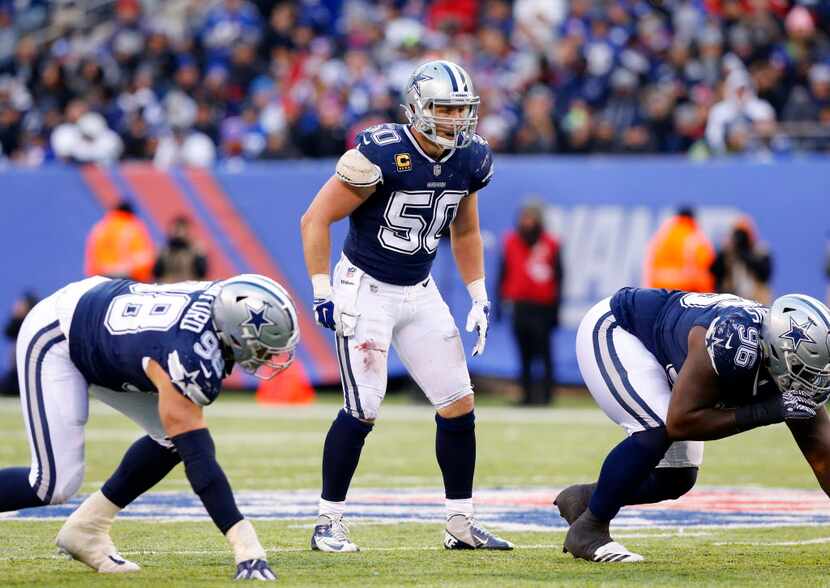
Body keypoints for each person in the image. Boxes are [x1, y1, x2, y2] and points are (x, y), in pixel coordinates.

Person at [300, 60, 512, 552]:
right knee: (364, 407)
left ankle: (459, 523)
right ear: (417, 107)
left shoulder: (471, 157)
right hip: (365, 287)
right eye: (445, 108)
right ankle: (327, 523)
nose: (456, 119)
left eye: (462, 110)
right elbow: (314, 219)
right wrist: (320, 289)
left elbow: (465, 229)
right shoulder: (380, 151)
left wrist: (479, 294)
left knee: (459, 402)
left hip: (419, 290)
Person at [0, 273, 299, 580]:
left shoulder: (221, 301)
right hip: (61, 335)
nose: (268, 357)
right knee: (53, 483)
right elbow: (199, 459)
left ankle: (87, 529)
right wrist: (246, 547)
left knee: (171, 437)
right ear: (235, 333)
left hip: (105, 324)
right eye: (261, 347)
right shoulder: (187, 353)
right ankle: (86, 527)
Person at [555, 288, 830, 562]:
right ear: (777, 351)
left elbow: (823, 453)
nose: (814, 382)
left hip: (668, 354)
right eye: (805, 371)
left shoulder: (781, 359)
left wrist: (779, 408)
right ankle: (590, 529)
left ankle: (585, 500)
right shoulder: (732, 340)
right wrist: (769, 411)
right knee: (656, 429)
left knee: (676, 476)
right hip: (620, 330)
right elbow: (681, 422)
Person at [497, 201, 563, 405]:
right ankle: (526, 395)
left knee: (544, 353)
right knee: (523, 353)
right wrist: (499, 302)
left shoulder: (550, 244)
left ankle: (547, 395)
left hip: (542, 306)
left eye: (531, 218)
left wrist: (555, 309)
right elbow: (503, 272)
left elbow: (559, 276)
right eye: (524, 217)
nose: (527, 222)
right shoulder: (510, 242)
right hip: (520, 305)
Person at [643, 206, 715, 293]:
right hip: (684, 285)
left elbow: (650, 261)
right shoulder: (692, 236)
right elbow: (707, 262)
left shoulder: (662, 236)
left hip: (657, 285)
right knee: (705, 278)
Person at [84, 200, 155, 283]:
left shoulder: (100, 227)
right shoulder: (132, 227)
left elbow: (91, 256)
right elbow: (143, 257)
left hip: (100, 278)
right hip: (126, 278)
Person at [710, 217, 773, 304]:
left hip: (757, 301)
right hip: (732, 301)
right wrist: (725, 253)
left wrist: (745, 255)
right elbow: (714, 273)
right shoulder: (727, 254)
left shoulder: (760, 252)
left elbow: (765, 275)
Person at [0, 290, 38, 396]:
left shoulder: (31, 324)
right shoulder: (16, 325)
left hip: (29, 374)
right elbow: (8, 331)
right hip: (15, 374)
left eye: (22, 304)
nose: (17, 306)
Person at [153, 215, 209, 283]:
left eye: (180, 229)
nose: (177, 232)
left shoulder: (194, 250)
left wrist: (200, 257)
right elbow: (157, 273)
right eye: (176, 229)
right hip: (168, 287)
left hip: (189, 288)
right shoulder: (165, 250)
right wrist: (158, 257)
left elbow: (202, 273)